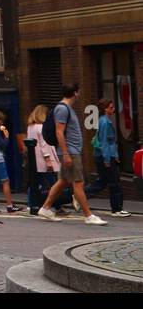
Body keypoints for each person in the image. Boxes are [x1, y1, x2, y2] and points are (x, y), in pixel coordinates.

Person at [38, 85, 108, 225]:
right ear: (76, 93)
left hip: (70, 151)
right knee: (78, 183)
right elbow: (59, 132)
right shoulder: (62, 109)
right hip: (70, 152)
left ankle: (45, 208)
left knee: (63, 181)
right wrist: (66, 154)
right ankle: (89, 216)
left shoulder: (66, 109)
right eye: (79, 91)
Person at [86, 99, 130, 217]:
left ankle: (80, 196)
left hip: (106, 156)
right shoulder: (105, 122)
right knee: (114, 182)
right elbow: (105, 142)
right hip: (106, 157)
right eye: (111, 107)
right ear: (105, 109)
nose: (113, 109)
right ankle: (117, 209)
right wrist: (107, 160)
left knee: (102, 182)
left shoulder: (103, 121)